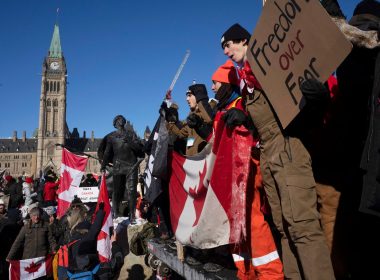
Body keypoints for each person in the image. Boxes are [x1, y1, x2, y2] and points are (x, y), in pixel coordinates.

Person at [220, 23, 334, 279]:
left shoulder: (269, 66)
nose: (226, 51)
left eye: (228, 45)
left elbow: (296, 108)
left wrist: (316, 98)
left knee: (303, 226)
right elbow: (264, 120)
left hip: (288, 147)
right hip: (269, 153)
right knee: (284, 227)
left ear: (244, 41)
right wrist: (245, 120)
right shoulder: (247, 81)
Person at [210, 60, 283, 279]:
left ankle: (270, 273)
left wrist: (247, 121)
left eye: (215, 83)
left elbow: (261, 130)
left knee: (252, 221)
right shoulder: (222, 111)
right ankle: (246, 271)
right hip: (231, 177)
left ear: (225, 84)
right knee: (237, 227)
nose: (213, 87)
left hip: (248, 171)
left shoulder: (242, 104)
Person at [101, 115, 145, 219]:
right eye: (119, 119)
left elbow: (139, 150)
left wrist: (129, 141)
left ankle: (132, 214)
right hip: (118, 166)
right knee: (117, 191)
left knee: (132, 191)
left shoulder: (131, 134)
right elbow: (107, 153)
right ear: (115, 123)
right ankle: (115, 214)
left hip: (131, 166)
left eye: (122, 119)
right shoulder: (111, 137)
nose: (121, 120)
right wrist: (103, 165)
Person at [164, 83, 214, 156]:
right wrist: (170, 123)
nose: (187, 99)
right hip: (191, 159)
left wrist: (201, 103)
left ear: (198, 96)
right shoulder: (191, 117)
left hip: (203, 160)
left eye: (189, 95)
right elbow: (181, 133)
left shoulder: (210, 112)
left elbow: (210, 120)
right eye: (186, 96)